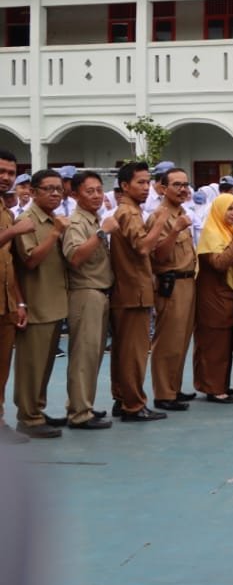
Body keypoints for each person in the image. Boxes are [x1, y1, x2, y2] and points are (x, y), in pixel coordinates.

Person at [13, 170, 70, 438]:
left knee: (46, 363)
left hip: (55, 299)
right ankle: (28, 417)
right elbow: (30, 260)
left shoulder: (53, 219)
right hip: (37, 302)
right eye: (48, 189)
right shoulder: (28, 220)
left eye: (58, 188)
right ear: (33, 192)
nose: (55, 193)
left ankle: (37, 408)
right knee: (31, 365)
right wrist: (55, 233)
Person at [109, 161, 168, 421]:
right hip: (133, 292)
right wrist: (162, 223)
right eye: (140, 182)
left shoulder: (128, 210)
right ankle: (133, 404)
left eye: (147, 182)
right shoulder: (130, 213)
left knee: (125, 350)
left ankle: (123, 399)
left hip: (129, 291)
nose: (146, 188)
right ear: (125, 185)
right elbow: (143, 247)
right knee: (133, 352)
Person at [61, 171, 115, 430]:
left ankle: (83, 405)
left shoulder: (93, 220)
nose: (96, 195)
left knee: (93, 354)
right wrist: (102, 234)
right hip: (86, 292)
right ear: (75, 194)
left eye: (98, 189)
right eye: (89, 191)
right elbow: (75, 257)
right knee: (84, 355)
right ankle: (79, 413)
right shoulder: (77, 223)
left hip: (100, 291)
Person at [146, 166, 198, 412]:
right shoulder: (159, 216)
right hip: (171, 283)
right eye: (176, 184)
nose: (183, 189)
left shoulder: (182, 212)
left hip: (188, 281)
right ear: (162, 188)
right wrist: (175, 229)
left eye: (185, 184)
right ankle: (163, 393)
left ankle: (174, 387)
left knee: (181, 339)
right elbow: (158, 256)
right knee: (167, 340)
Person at [194, 194, 233, 403]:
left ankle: (221, 384)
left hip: (225, 295)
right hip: (212, 297)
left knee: (225, 343)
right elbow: (219, 264)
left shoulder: (228, 231)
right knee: (214, 343)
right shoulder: (211, 232)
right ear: (218, 210)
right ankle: (213, 388)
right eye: (229, 209)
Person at [0, 150, 27, 443]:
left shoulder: (6, 211)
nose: (6, 177)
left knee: (2, 366)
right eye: (1, 171)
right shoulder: (12, 219)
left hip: (5, 302)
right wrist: (14, 231)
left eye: (10, 172)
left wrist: (19, 302)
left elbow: (9, 264)